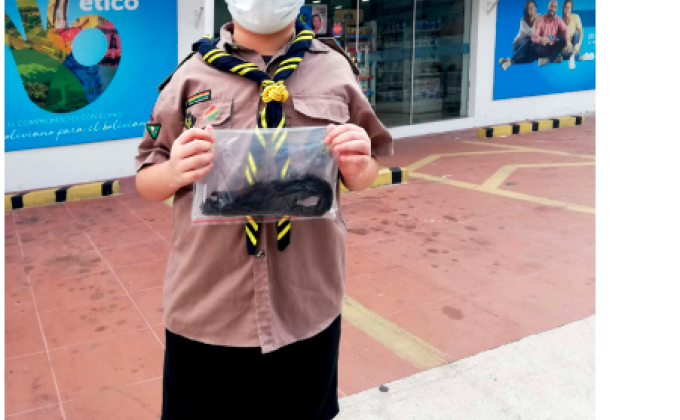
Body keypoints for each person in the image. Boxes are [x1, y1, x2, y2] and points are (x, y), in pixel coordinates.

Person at [134, 0, 392, 418]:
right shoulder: (192, 74)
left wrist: (359, 167)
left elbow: (366, 170)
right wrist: (174, 171)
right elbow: (147, 177)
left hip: (307, 305)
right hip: (208, 309)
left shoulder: (335, 70)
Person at [499, 0, 541, 71]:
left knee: (531, 59)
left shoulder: (539, 17)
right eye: (529, 8)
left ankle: (507, 60)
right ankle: (511, 61)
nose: (532, 9)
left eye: (533, 6)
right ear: (526, 11)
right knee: (530, 40)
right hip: (518, 45)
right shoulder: (523, 21)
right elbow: (531, 33)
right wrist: (535, 22)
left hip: (527, 48)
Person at [531, 0, 570, 66]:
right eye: (551, 6)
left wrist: (568, 41)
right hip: (544, 46)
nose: (553, 9)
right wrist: (541, 39)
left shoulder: (558, 19)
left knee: (563, 40)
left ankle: (547, 59)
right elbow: (534, 37)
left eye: (555, 7)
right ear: (548, 7)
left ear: (556, 9)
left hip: (554, 46)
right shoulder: (540, 20)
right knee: (533, 45)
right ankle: (554, 58)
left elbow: (566, 29)